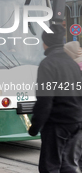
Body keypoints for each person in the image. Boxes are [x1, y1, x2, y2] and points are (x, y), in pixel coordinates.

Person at [28, 24, 82, 172]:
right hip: (76, 122)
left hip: (57, 123)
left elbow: (45, 100)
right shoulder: (72, 63)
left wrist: (35, 126)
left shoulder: (48, 64)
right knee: (69, 165)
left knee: (50, 166)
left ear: (46, 43)